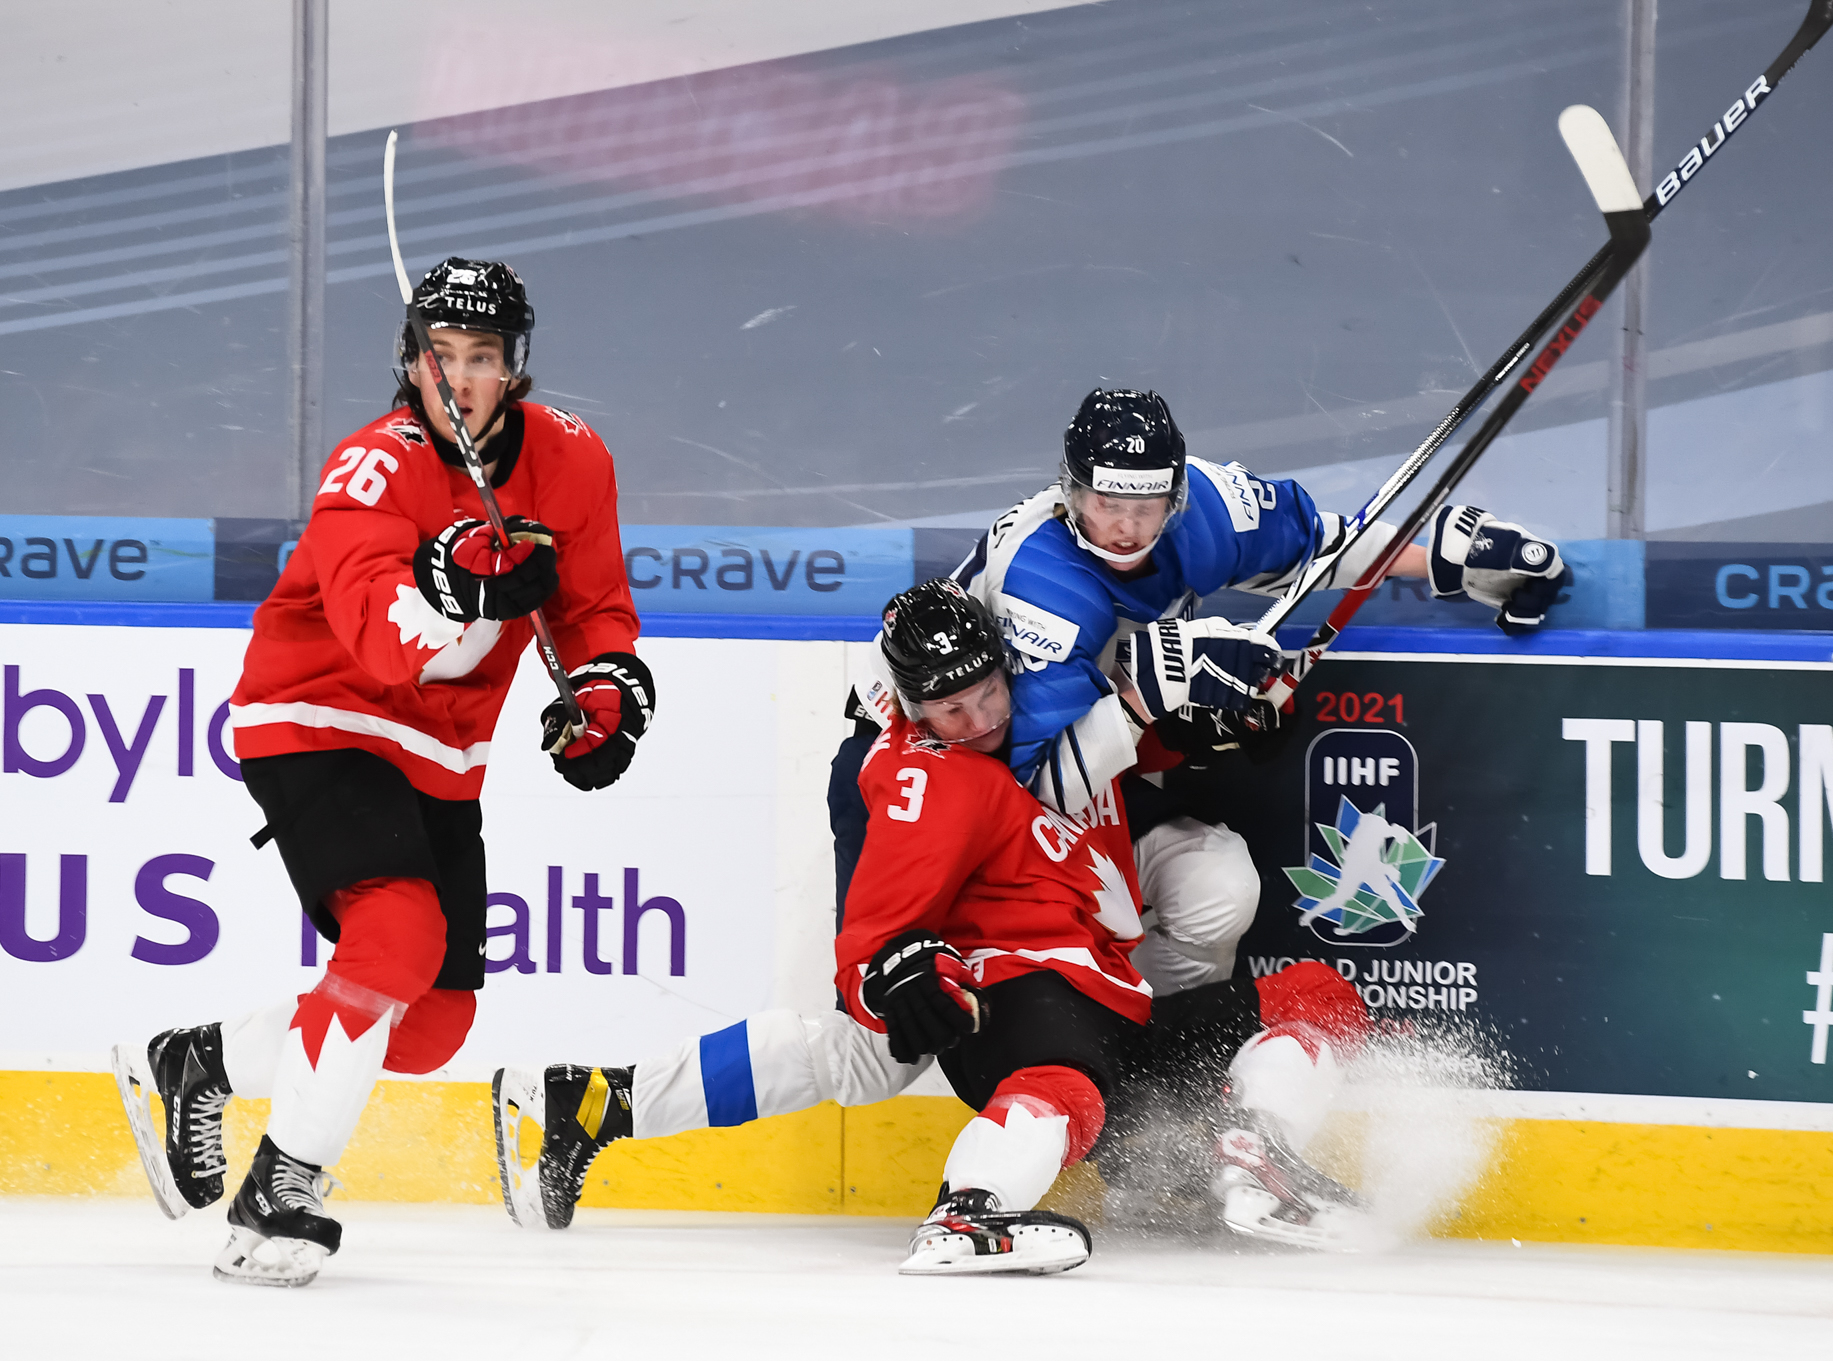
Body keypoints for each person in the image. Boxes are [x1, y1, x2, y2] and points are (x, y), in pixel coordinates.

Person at [495, 581, 1376, 1272]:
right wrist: (887, 968)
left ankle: (1251, 1148)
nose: (981, 721)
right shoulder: (932, 778)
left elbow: (1148, 735)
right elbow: (875, 924)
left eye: (990, 693)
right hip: (1024, 991)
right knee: (923, 1055)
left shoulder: (1046, 716)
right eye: (951, 710)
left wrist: (1239, 713)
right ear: (914, 709)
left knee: (1318, 994)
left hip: (1115, 995)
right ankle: (969, 1210)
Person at [112, 257, 654, 1288]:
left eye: (481, 358)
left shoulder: (575, 459)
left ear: (514, 366)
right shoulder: (373, 464)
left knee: (432, 1022)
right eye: (439, 356)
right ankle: (281, 1187)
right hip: (319, 714)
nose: (458, 378)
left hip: (443, 755)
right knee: (395, 933)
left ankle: (195, 1062)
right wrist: (466, 594)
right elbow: (378, 632)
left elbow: (589, 606)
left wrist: (605, 696)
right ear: (409, 362)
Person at [831, 387, 1568, 997]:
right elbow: (1022, 800)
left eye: (1145, 506)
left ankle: (1139, 1048)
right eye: (1101, 503)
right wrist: (1151, 695)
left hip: (1069, 752)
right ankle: (1051, 1042)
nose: (1122, 526)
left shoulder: (1209, 509)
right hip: (932, 767)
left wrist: (1448, 558)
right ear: (1068, 492)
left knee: (1218, 890)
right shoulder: (1047, 591)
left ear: (1177, 496)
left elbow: (1326, 548)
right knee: (895, 1004)